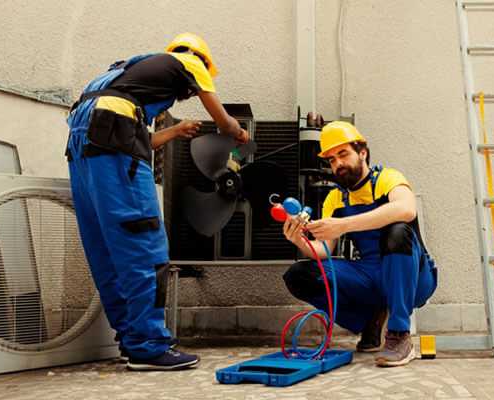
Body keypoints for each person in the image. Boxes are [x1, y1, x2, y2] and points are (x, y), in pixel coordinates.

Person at [65, 32, 248, 371]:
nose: (188, 94)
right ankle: (148, 346)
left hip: (83, 148)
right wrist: (237, 133)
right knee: (144, 246)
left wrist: (175, 132)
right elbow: (222, 120)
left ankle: (131, 341)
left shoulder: (124, 73)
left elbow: (131, 138)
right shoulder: (189, 60)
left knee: (107, 249)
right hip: (111, 144)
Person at [282, 121, 437, 367]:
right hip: (369, 275)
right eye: (332, 159)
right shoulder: (334, 199)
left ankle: (399, 334)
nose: (338, 164)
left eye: (343, 154)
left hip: (413, 277)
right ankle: (370, 321)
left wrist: (344, 225)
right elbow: (323, 251)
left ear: (362, 152)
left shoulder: (388, 178)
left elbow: (406, 209)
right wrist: (299, 239)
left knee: (397, 231)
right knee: (299, 275)